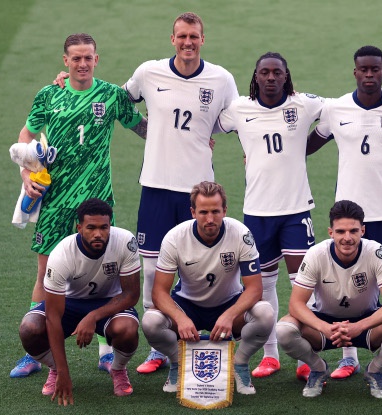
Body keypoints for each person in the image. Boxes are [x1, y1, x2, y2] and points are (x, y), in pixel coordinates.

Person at [217, 52, 382, 379]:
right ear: (256, 76)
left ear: (286, 76)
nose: (271, 77)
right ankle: (271, 355)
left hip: (296, 210)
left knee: (306, 285)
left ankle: (318, 357)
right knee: (264, 284)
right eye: (265, 72)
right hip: (257, 211)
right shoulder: (239, 108)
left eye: (277, 72)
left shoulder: (304, 104)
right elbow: (211, 122)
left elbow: (351, 102)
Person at [11, 33, 147, 378]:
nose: (82, 64)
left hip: (96, 204)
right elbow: (26, 136)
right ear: (66, 61)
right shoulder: (49, 94)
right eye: (76, 58)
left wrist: (187, 135)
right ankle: (34, 351)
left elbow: (143, 128)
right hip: (55, 200)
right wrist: (26, 173)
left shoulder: (112, 95)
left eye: (88, 58)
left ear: (96, 60)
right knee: (44, 271)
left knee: (106, 273)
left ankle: (106, 348)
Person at [122, 12, 240, 374]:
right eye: (182, 36)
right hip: (156, 186)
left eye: (194, 36)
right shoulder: (149, 72)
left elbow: (236, 117)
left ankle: (205, 329)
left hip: (198, 193)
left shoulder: (221, 79)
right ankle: (159, 349)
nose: (188, 42)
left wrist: (206, 132)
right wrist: (149, 130)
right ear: (172, 39)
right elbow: (120, 101)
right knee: (152, 267)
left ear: (203, 39)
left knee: (200, 264)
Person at [306, 45, 382, 380]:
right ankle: (348, 357)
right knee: (346, 286)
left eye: (376, 69)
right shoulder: (336, 109)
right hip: (348, 216)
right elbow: (308, 144)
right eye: (364, 69)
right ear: (355, 72)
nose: (369, 74)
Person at [141, 181, 274, 395]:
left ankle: (239, 364)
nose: (210, 219)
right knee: (150, 322)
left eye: (215, 211)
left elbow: (254, 289)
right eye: (203, 212)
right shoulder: (175, 238)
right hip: (187, 305)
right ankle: (178, 363)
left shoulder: (241, 234)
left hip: (229, 302)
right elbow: (158, 292)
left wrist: (230, 315)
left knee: (265, 314)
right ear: (193, 212)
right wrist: (180, 318)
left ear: (224, 211)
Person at [276, 200, 382, 399]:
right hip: (325, 325)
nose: (347, 238)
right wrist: (324, 327)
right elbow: (295, 304)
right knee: (284, 330)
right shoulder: (316, 254)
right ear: (331, 232)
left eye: (353, 231)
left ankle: (375, 370)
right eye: (340, 231)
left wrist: (359, 326)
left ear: (362, 231)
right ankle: (318, 368)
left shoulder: (375, 251)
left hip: (367, 324)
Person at [17, 198, 142, 405]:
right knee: (29, 328)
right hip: (70, 303)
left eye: (104, 227)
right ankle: (54, 370)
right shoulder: (61, 254)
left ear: (110, 226)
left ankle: (118, 369)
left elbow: (131, 295)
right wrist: (63, 371)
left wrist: (92, 316)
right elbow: (53, 316)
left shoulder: (125, 241)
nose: (98, 234)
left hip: (109, 302)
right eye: (91, 228)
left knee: (127, 329)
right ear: (79, 228)